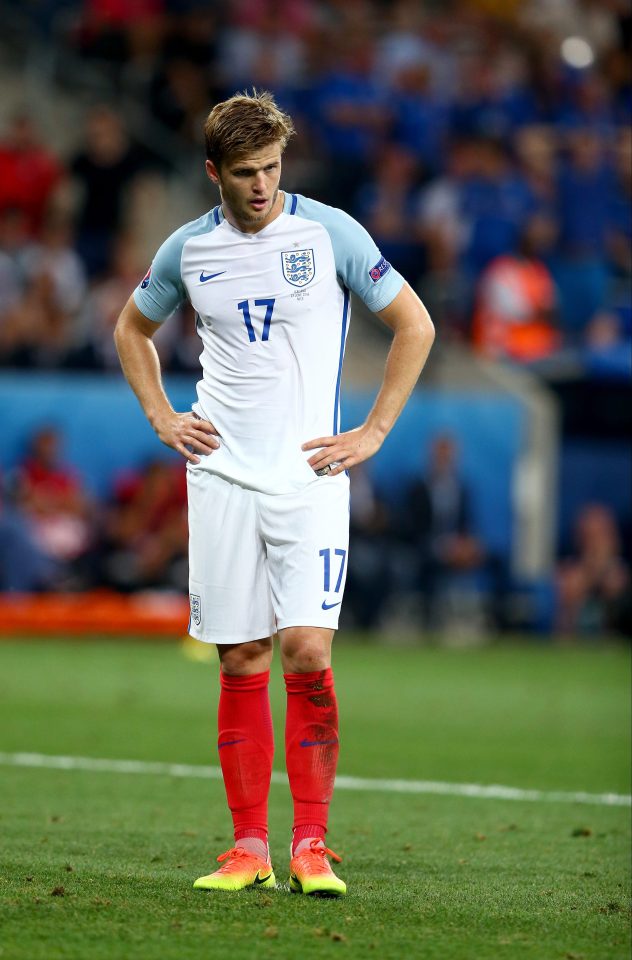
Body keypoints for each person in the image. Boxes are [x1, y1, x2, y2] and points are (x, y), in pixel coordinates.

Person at [114, 90, 434, 897]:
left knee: (307, 652)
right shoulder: (188, 250)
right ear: (214, 172)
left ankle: (313, 846)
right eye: (246, 172)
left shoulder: (328, 233)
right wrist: (160, 413)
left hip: (309, 476)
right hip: (221, 476)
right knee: (241, 656)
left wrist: (373, 433)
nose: (262, 186)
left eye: (273, 169)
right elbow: (130, 329)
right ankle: (248, 848)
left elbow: (416, 325)